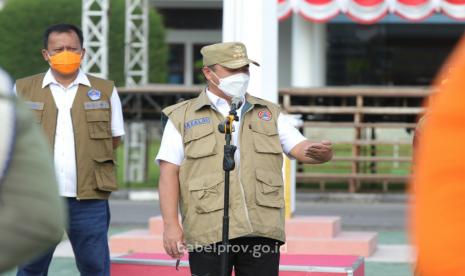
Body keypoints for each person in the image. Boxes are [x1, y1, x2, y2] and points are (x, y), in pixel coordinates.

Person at [156, 42, 333, 276]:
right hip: (209, 227)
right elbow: (169, 173)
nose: (241, 76)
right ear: (208, 73)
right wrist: (171, 225)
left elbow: (299, 146)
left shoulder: (267, 112)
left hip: (260, 227)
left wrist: (319, 151)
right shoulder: (182, 116)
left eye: (245, 69)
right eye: (232, 70)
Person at [14, 23, 125, 276]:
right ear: (46, 54)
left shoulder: (105, 90)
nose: (66, 53)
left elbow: (114, 138)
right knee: (31, 268)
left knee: (95, 267)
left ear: (83, 53)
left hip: (89, 199)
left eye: (72, 48)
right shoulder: (22, 89)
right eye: (59, 49)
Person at [0, 76, 66, 273]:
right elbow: (38, 224)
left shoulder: (102, 88)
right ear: (45, 54)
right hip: (42, 192)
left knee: (93, 263)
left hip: (85, 193)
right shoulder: (16, 89)